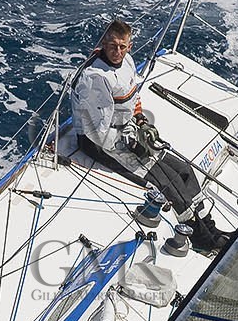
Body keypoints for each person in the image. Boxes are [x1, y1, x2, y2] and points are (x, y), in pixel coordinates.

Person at [71, 19, 229, 252]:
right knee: (167, 182)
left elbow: (133, 99)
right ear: (104, 42)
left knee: (185, 170)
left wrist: (141, 122)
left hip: (128, 132)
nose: (117, 52)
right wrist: (131, 143)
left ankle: (209, 226)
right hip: (100, 144)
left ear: (130, 46)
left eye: (123, 46)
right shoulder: (96, 77)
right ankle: (199, 237)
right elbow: (95, 131)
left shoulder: (127, 62)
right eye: (113, 45)